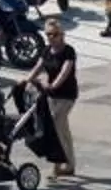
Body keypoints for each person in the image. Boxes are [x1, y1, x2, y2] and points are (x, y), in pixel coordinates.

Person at [31, 18, 80, 179]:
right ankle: (70, 165)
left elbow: (65, 72)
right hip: (51, 95)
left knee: (56, 124)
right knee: (62, 129)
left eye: (54, 34)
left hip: (67, 94)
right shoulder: (46, 51)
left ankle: (58, 166)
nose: (51, 38)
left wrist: (54, 85)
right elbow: (38, 67)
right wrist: (27, 80)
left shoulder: (68, 51)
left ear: (62, 35)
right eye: (48, 34)